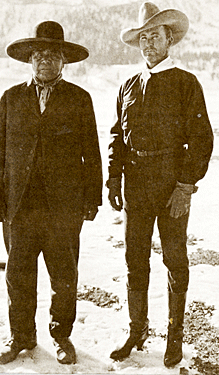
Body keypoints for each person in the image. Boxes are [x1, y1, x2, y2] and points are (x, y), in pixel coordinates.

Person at [0, 21, 102, 365]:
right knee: (18, 275)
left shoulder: (80, 99)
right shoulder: (11, 98)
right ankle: (21, 336)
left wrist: (91, 199)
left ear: (63, 60)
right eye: (39, 55)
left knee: (64, 276)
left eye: (52, 55)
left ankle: (62, 335)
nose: (45, 61)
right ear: (30, 60)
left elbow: (91, 154)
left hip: (63, 208)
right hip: (19, 206)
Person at [107, 2, 213, 367]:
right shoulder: (128, 85)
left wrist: (185, 187)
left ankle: (174, 335)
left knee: (174, 259)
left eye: (156, 35)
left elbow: (202, 140)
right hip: (136, 185)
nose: (149, 42)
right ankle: (137, 332)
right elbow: (118, 135)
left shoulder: (186, 83)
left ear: (170, 39)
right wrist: (113, 179)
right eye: (143, 37)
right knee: (135, 260)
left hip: (171, 185)